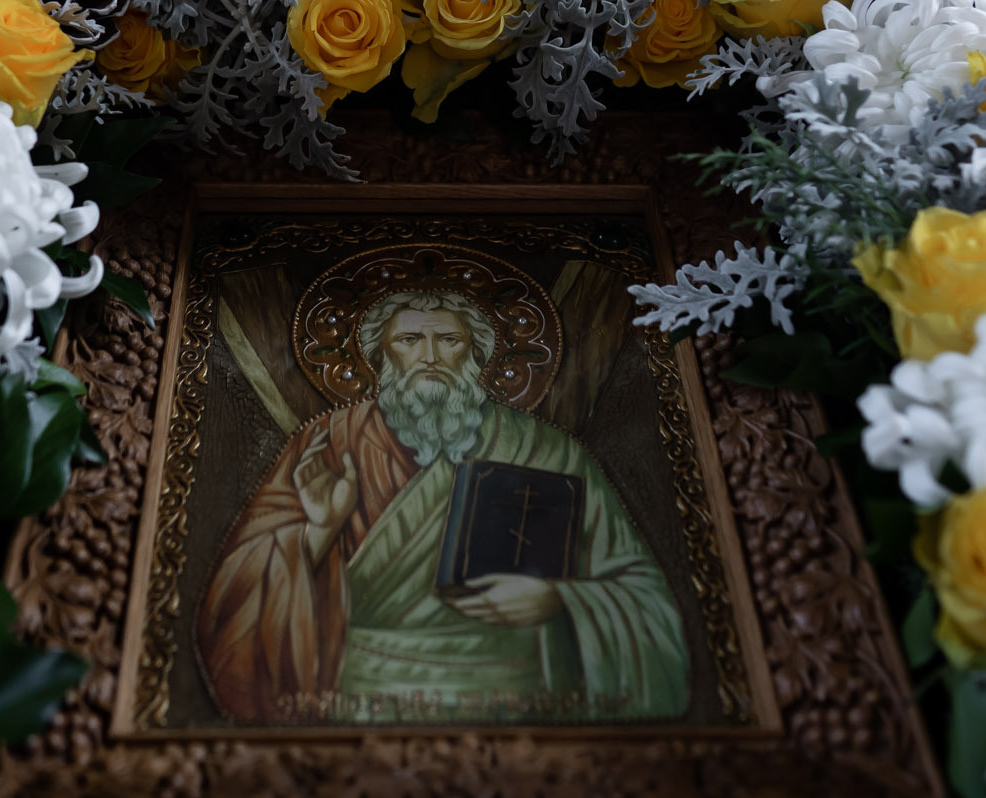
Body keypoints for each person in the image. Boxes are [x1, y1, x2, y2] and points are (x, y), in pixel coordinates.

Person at [198, 289, 688, 726]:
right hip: (360, 703)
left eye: (449, 341)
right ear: (379, 356)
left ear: (477, 355)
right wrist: (317, 532)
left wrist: (560, 600)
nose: (429, 356)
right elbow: (237, 594)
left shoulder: (552, 452)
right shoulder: (326, 443)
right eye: (408, 341)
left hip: (523, 702)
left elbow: (640, 592)